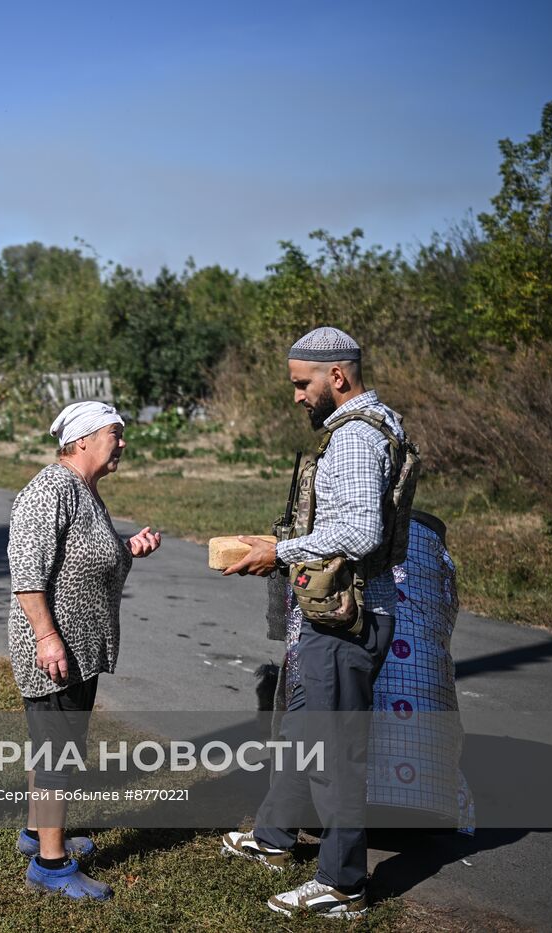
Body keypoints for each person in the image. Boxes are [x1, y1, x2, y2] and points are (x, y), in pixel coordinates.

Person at [220, 326, 407, 921]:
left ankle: (342, 881)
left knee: (332, 752)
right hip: (332, 614)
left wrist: (281, 552)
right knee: (303, 732)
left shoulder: (353, 437)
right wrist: (281, 541)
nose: (298, 396)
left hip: (346, 621)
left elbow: (359, 532)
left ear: (338, 376)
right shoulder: (380, 423)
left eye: (303, 384)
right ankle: (276, 837)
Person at [7, 400, 161, 900]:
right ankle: (51, 866)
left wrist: (126, 548)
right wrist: (47, 638)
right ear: (82, 441)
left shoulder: (83, 489)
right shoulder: (50, 489)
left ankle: (37, 835)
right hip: (58, 646)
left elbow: (86, 554)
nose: (122, 443)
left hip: (78, 645)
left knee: (52, 744)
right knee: (57, 751)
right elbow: (27, 575)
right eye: (114, 434)